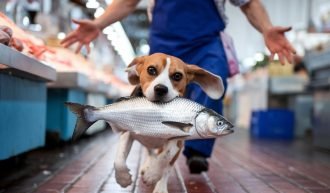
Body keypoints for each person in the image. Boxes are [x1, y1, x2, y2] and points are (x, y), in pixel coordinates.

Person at [61, 0, 296, 174]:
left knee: (216, 82)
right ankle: (155, 140)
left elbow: (248, 3)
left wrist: (266, 28)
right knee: (157, 100)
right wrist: (99, 23)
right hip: (164, 42)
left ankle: (197, 151)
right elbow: (128, 2)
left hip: (206, 42)